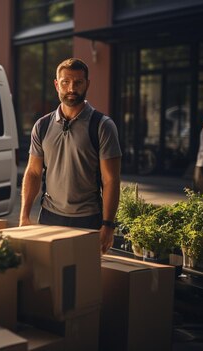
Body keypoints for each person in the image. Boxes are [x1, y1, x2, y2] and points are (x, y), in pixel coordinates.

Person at [20, 58, 122, 254]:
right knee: (48, 277)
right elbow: (33, 172)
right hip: (49, 218)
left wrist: (108, 225)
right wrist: (24, 215)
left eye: (78, 82)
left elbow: (111, 180)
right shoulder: (41, 126)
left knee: (84, 280)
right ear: (57, 84)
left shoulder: (102, 126)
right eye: (65, 82)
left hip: (88, 219)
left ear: (87, 84)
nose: (71, 88)